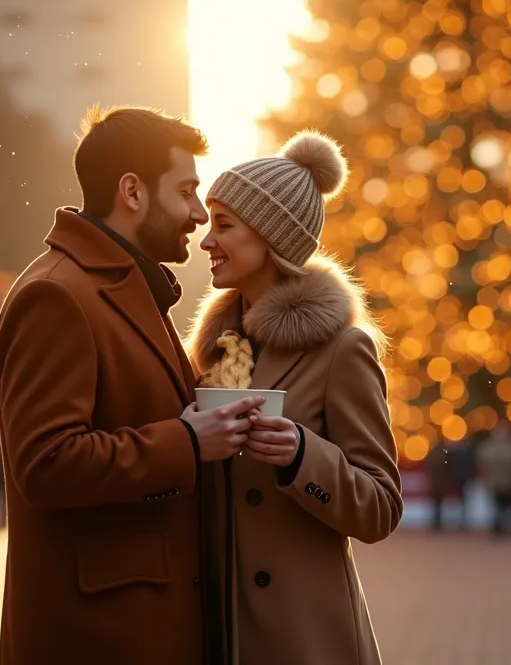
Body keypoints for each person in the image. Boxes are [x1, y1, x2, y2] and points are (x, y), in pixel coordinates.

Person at [0, 106, 265, 665]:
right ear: (132, 191)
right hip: (98, 638)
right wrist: (187, 445)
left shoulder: (124, 286)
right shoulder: (58, 295)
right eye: (186, 191)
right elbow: (45, 463)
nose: (196, 213)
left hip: (138, 630)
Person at [186, 131, 403, 665]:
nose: (206, 242)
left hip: (304, 638)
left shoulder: (342, 350)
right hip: (218, 629)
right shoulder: (211, 352)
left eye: (225, 225)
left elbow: (379, 508)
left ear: (271, 236)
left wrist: (302, 455)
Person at [475, 421, 511, 537]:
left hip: (507, 482)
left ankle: (503, 525)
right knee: (496, 505)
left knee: (505, 505)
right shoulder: (490, 446)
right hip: (495, 482)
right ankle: (497, 525)